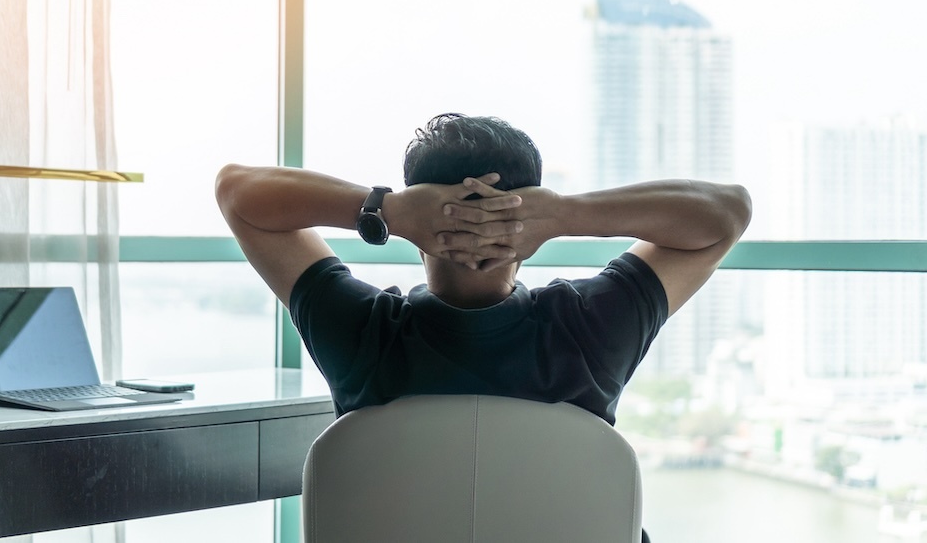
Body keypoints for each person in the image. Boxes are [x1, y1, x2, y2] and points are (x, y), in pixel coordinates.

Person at [216, 113, 751, 428]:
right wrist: (567, 214)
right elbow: (727, 211)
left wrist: (386, 209)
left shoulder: (359, 331)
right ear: (530, 233)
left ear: (417, 234)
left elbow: (237, 191)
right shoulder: (593, 326)